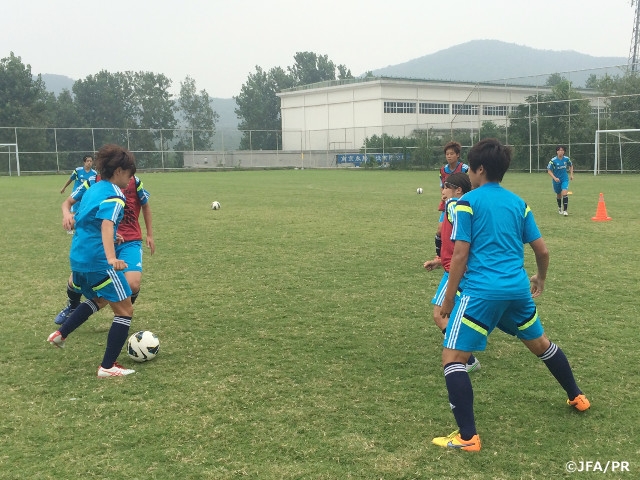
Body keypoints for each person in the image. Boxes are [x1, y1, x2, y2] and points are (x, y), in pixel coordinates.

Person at [432, 138, 589, 452]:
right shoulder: (519, 203)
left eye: (471, 170)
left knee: (452, 357)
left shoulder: (466, 203)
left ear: (478, 169)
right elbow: (541, 250)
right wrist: (539, 278)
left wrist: (448, 299)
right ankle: (577, 397)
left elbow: (460, 255)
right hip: (517, 290)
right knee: (541, 344)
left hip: (480, 293)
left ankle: (467, 438)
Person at [48, 144, 138, 378]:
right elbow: (107, 224)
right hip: (99, 262)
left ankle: (61, 334)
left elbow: (92, 222)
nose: (131, 179)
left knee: (98, 298)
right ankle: (108, 366)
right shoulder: (115, 195)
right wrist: (111, 258)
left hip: (79, 258)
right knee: (125, 310)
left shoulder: (94, 189)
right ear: (119, 171)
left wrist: (113, 236)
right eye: (130, 174)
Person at [53, 174, 155, 325]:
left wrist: (150, 234)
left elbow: (145, 205)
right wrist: (67, 214)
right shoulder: (94, 182)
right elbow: (67, 202)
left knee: (132, 284)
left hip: (130, 239)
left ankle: (121, 314)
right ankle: (73, 306)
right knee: (75, 282)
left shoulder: (133, 181)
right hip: (100, 240)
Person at [423, 172, 480, 373]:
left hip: (454, 272)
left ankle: (468, 358)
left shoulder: (454, 205)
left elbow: (463, 231)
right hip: (455, 269)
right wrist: (438, 260)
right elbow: (455, 242)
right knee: (457, 314)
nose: (443, 190)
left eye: (447, 186)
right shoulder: (455, 207)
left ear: (458, 190)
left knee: (439, 315)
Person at [434, 142, 469, 258]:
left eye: (451, 154)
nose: (449, 156)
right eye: (447, 154)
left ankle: (459, 254)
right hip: (447, 203)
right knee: (440, 230)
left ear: (458, 155)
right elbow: (442, 185)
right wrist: (444, 196)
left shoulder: (464, 168)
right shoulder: (443, 170)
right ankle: (440, 256)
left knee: (459, 231)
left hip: (461, 203)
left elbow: (469, 186)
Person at [59, 155, 97, 233]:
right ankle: (69, 228)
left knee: (83, 211)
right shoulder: (78, 170)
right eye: (87, 161)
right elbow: (71, 179)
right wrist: (64, 187)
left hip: (86, 196)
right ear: (84, 162)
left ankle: (81, 227)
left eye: (91, 161)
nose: (89, 163)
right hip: (77, 195)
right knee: (74, 212)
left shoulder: (94, 173)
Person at [547, 145, 573, 216]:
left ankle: (565, 210)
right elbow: (549, 170)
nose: (560, 152)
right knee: (558, 194)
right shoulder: (553, 161)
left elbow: (571, 165)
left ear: (564, 151)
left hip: (564, 179)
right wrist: (555, 178)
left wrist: (571, 174)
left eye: (562, 150)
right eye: (559, 150)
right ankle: (559, 207)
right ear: (557, 151)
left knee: (564, 192)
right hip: (556, 180)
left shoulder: (566, 159)